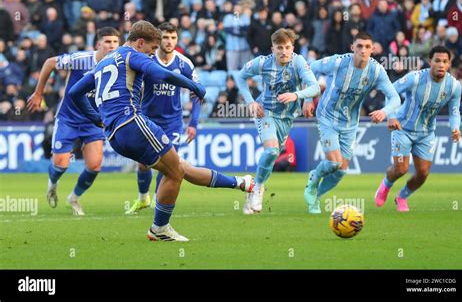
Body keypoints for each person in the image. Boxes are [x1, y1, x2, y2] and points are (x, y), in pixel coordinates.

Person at [68, 21, 252, 242]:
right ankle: (160, 228)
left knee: (179, 167)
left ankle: (241, 183)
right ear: (140, 42)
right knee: (175, 172)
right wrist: (194, 86)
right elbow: (161, 73)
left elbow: (75, 92)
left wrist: (96, 118)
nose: (152, 53)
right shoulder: (131, 55)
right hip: (132, 122)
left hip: (115, 134)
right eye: (152, 48)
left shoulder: (104, 62)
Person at [126, 22, 254, 214]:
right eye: (165, 37)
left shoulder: (184, 63)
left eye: (173, 37)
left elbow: (197, 94)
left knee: (168, 166)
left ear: (177, 39)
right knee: (144, 163)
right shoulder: (147, 60)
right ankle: (143, 198)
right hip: (147, 119)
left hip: (172, 123)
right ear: (158, 39)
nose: (169, 41)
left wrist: (193, 123)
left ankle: (157, 202)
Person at [304, 32, 401, 214]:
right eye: (359, 46)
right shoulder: (339, 61)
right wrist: (308, 99)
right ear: (352, 48)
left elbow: (395, 97)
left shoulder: (377, 71)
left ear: (372, 49)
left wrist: (385, 112)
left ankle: (316, 197)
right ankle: (313, 179)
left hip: (350, 123)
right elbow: (311, 68)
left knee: (341, 171)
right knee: (333, 163)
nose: (363, 51)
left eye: (367, 47)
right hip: (327, 116)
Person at [26, 27, 120, 215]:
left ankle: (74, 198)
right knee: (61, 164)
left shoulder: (119, 65)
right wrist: (38, 93)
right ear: (98, 44)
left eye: (115, 42)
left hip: (93, 121)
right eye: (107, 42)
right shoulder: (82, 59)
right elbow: (49, 63)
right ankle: (52, 184)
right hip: (68, 118)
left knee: (95, 166)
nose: (111, 46)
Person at [236, 28, 320, 214]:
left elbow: (315, 87)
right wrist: (250, 102)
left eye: (287, 47)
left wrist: (297, 95)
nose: (284, 51)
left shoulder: (298, 61)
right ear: (272, 48)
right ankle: (258, 189)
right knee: (272, 150)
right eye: (279, 47)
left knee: (273, 154)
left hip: (287, 117)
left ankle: (253, 187)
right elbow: (240, 77)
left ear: (293, 47)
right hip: (265, 112)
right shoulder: (263, 63)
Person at [375, 45, 462, 212]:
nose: (441, 65)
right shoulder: (414, 78)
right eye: (437, 60)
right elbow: (390, 92)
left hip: (426, 133)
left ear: (449, 63)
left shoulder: (454, 86)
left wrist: (455, 128)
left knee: (423, 174)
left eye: (445, 61)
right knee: (401, 169)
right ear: (430, 61)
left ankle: (401, 197)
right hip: (403, 128)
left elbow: (454, 111)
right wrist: (390, 116)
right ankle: (385, 186)